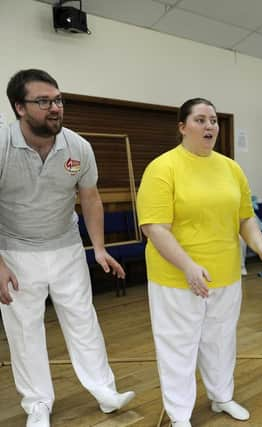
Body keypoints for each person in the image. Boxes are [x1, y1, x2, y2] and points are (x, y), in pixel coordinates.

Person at [0, 69, 135, 427]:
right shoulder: (1, 144)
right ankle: (37, 404)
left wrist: (100, 248)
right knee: (25, 329)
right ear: (19, 107)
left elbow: (90, 198)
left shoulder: (77, 147)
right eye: (43, 101)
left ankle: (105, 390)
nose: (55, 107)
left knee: (83, 320)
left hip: (66, 248)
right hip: (14, 251)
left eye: (58, 99)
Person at [136, 98, 262, 427]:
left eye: (213, 120)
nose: (210, 126)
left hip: (226, 273)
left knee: (220, 339)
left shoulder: (231, 168)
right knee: (178, 345)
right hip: (176, 278)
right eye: (200, 120)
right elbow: (155, 228)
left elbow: (245, 218)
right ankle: (179, 415)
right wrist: (188, 266)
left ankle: (221, 396)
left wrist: (260, 247)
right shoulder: (163, 168)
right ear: (182, 127)